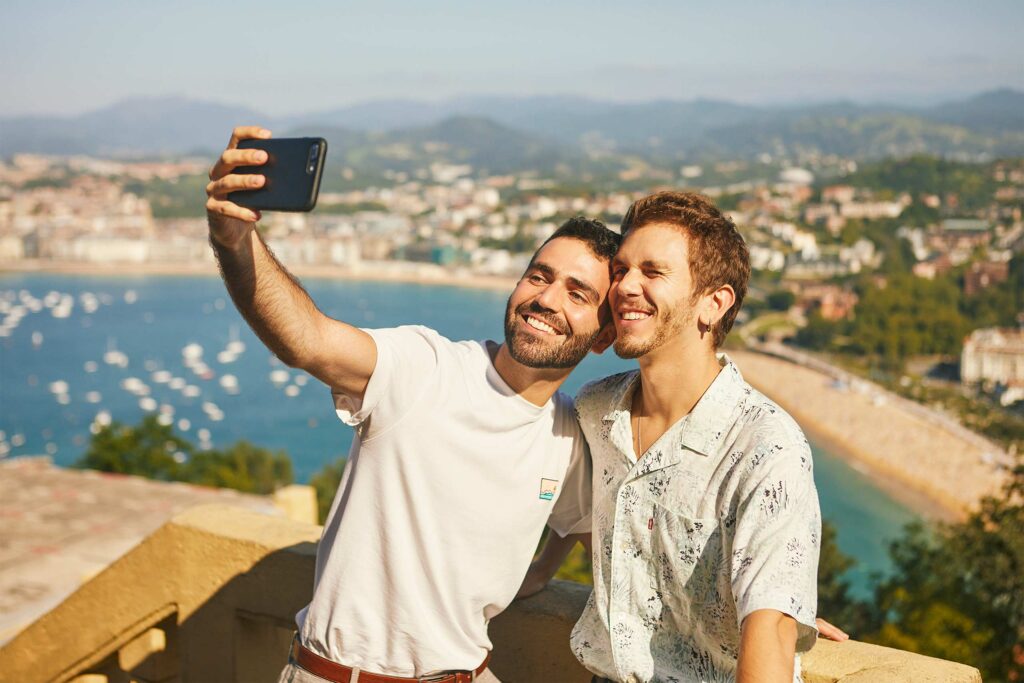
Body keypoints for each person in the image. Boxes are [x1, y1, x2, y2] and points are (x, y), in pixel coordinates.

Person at [205, 126, 613, 683]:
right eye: (538, 276)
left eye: (577, 292)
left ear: (604, 335)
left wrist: (541, 569)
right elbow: (306, 340)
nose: (545, 298)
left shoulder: (568, 434)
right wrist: (234, 240)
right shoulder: (427, 366)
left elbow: (601, 531)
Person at [522, 191, 830, 682]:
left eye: (653, 272)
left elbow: (768, 634)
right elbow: (589, 510)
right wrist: (541, 568)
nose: (623, 286)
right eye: (621, 270)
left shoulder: (764, 446)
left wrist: (781, 602)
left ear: (714, 303)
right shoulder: (597, 409)